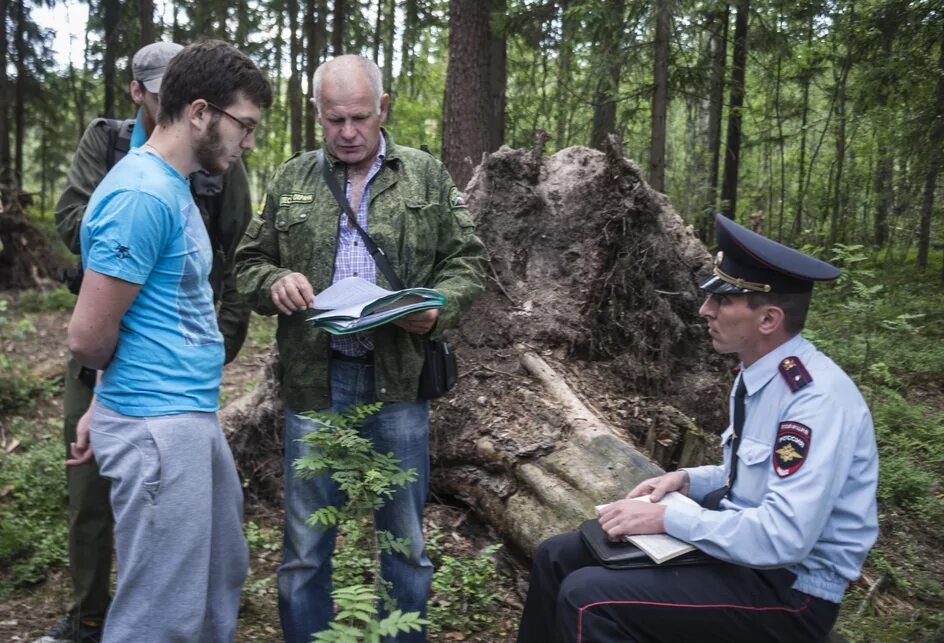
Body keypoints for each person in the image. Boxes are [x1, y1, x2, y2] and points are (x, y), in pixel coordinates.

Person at [516, 213, 879, 643]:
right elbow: (747, 476)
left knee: (589, 598)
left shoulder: (814, 401)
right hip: (743, 557)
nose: (705, 309)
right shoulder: (757, 373)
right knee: (558, 556)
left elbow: (785, 539)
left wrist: (666, 519)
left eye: (723, 301)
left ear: (768, 320)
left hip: (791, 590)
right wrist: (688, 479)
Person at [235, 54, 488, 642]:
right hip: (315, 384)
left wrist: (440, 308)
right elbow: (248, 262)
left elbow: (469, 261)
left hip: (397, 385)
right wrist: (274, 281)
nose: (347, 133)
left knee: (404, 545)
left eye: (358, 118)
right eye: (333, 120)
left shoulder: (425, 174)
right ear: (318, 115)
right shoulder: (293, 179)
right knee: (304, 547)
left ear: (383, 109)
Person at [38, 41, 255, 643]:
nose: (248, 143)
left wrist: (103, 402)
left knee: (216, 574)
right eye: (245, 125)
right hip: (157, 425)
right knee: (159, 615)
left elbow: (138, 317)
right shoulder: (140, 194)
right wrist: (116, 403)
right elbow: (88, 334)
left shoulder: (174, 183)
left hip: (183, 412)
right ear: (201, 112)